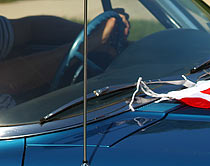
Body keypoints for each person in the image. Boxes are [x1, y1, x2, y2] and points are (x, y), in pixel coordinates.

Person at [0, 13, 129, 109]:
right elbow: (9, 83)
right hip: (20, 131)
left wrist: (94, 31)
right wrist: (90, 43)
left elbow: (29, 28)